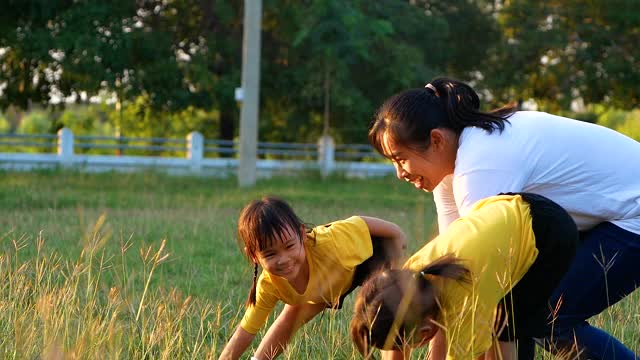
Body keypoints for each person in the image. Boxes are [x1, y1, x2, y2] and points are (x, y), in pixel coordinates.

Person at [367, 77, 640, 359]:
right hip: (602, 218)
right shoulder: (452, 166)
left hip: (634, 216)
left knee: (545, 322)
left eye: (400, 159)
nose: (399, 173)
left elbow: (479, 282)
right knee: (517, 314)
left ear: (436, 139)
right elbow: (448, 273)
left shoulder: (480, 164)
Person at [351, 192, 579, 360]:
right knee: (462, 313)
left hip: (549, 234)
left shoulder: (466, 304)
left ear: (425, 334)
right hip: (505, 208)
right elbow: (394, 346)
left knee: (505, 327)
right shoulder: (408, 277)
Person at [218, 196, 407, 360]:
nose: (283, 259)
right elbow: (246, 330)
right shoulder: (270, 284)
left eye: (289, 246)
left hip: (372, 258)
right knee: (291, 316)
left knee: (388, 313)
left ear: (302, 234)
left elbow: (361, 223)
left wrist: (398, 238)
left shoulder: (333, 244)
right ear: (253, 256)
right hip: (329, 282)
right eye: (270, 254)